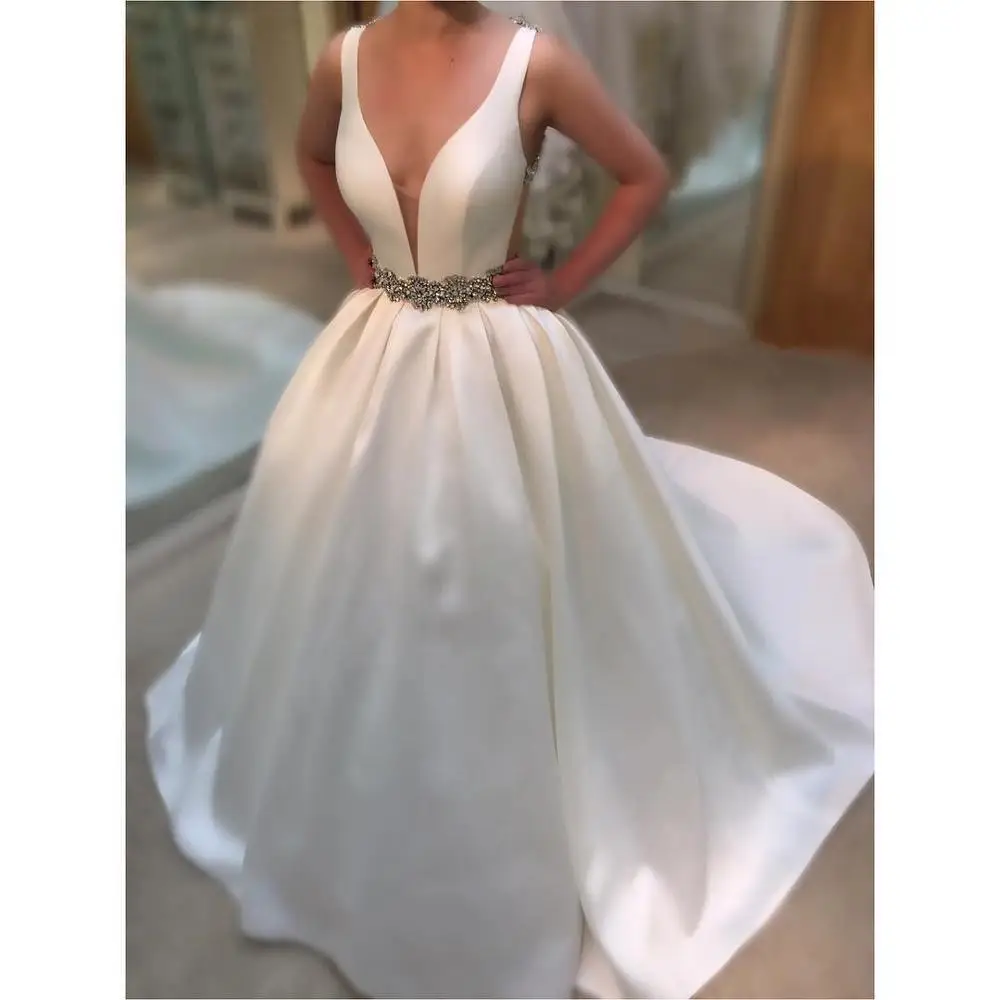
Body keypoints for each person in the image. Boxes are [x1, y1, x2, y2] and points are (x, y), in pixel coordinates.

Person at [145, 4, 874, 998]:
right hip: (373, 347)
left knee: (500, 580)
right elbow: (314, 157)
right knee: (336, 565)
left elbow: (644, 174)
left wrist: (563, 284)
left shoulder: (538, 62)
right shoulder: (342, 60)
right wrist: (358, 260)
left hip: (497, 353)